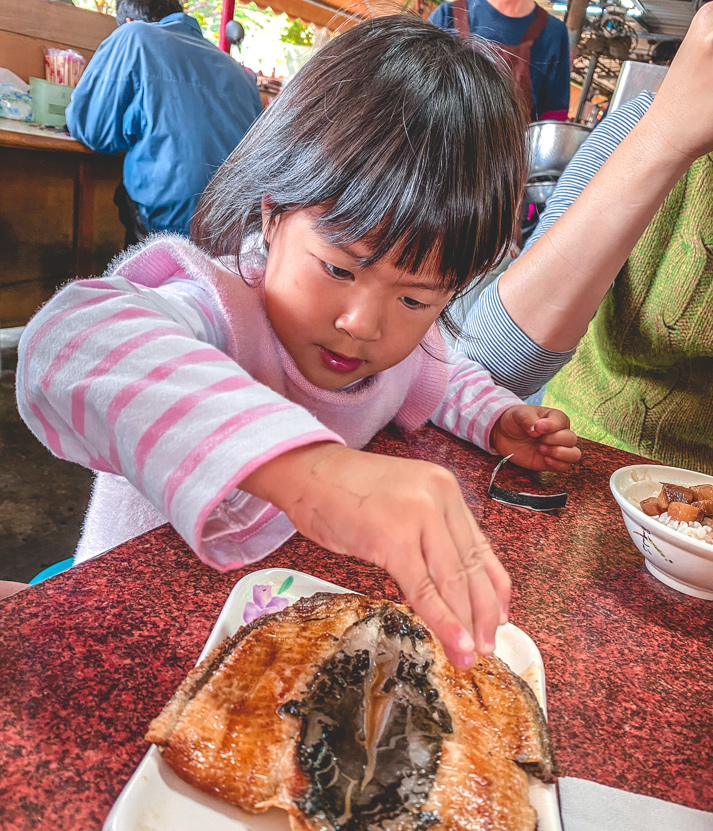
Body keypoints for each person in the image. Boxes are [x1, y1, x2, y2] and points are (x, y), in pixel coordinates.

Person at [17, 17, 580, 670]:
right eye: (339, 269)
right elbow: (73, 344)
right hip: (126, 628)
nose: (363, 323)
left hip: (259, 641)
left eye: (416, 298)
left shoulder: (406, 346)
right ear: (272, 214)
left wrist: (496, 419)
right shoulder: (220, 309)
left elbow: (444, 375)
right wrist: (318, 474)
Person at [457, 4, 713, 473]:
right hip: (580, 462)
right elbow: (490, 362)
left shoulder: (547, 31)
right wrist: (665, 136)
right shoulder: (641, 128)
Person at [65, 0, 262, 243]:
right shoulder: (241, 73)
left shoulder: (133, 36)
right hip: (236, 232)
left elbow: (92, 130)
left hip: (169, 225)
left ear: (128, 21)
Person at [429, 0, 570, 120]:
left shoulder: (554, 34)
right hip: (444, 148)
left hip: (515, 150)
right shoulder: (446, 17)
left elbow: (553, 117)